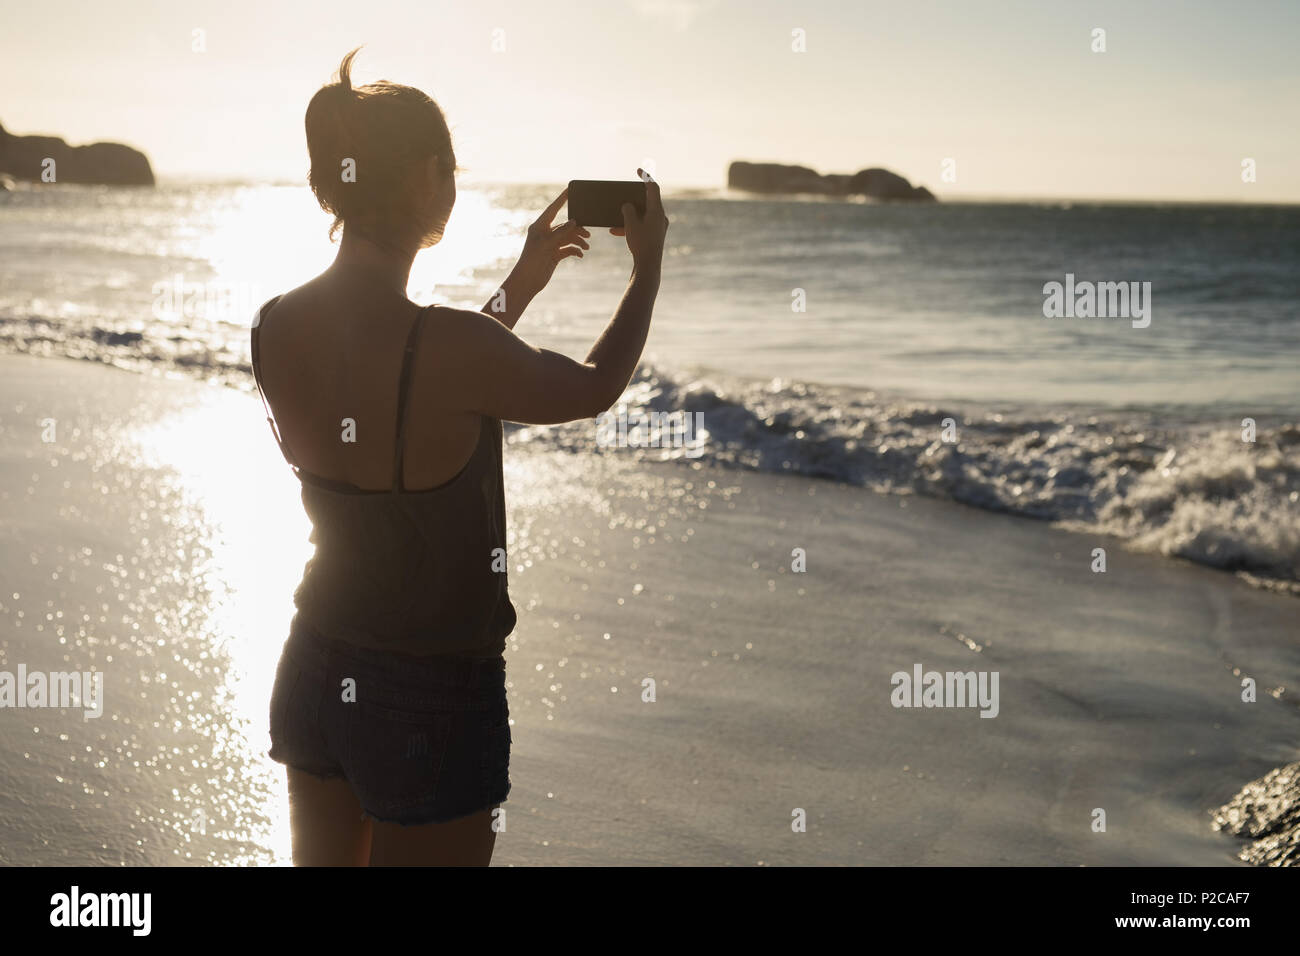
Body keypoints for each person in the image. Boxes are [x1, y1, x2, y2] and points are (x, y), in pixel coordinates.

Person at [252, 49, 667, 865]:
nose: (454, 185)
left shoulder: (276, 324)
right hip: (427, 692)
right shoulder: (446, 345)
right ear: (421, 178)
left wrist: (523, 279)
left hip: (316, 665)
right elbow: (590, 386)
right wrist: (647, 269)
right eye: (450, 167)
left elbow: (417, 381)